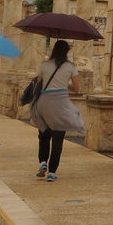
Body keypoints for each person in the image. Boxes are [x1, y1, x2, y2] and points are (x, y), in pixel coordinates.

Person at [29, 40, 85, 182]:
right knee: (58, 139)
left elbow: (40, 83)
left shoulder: (44, 65)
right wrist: (64, 84)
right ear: (67, 51)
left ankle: (42, 162)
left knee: (44, 135)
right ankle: (52, 172)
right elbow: (77, 88)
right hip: (60, 104)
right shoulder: (71, 67)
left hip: (44, 103)